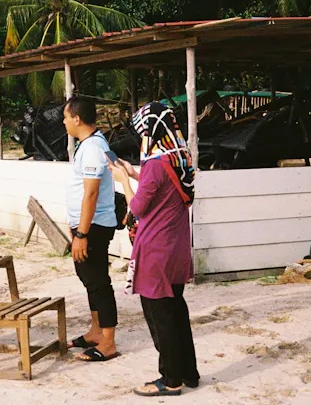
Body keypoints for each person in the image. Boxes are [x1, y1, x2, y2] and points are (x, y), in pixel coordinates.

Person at [107, 101, 199, 397]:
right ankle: (188, 372)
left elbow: (137, 207)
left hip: (157, 247)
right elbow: (160, 187)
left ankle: (170, 379)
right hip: (177, 246)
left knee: (160, 315)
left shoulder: (156, 164)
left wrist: (123, 180)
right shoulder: (178, 156)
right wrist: (135, 173)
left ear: (150, 130)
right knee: (176, 310)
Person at [62, 96, 119, 362]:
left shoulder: (94, 147)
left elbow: (92, 192)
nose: (63, 122)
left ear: (77, 119)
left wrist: (82, 234)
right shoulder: (92, 144)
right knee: (89, 279)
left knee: (98, 282)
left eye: (65, 117)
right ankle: (96, 331)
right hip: (86, 224)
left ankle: (108, 342)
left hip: (94, 226)